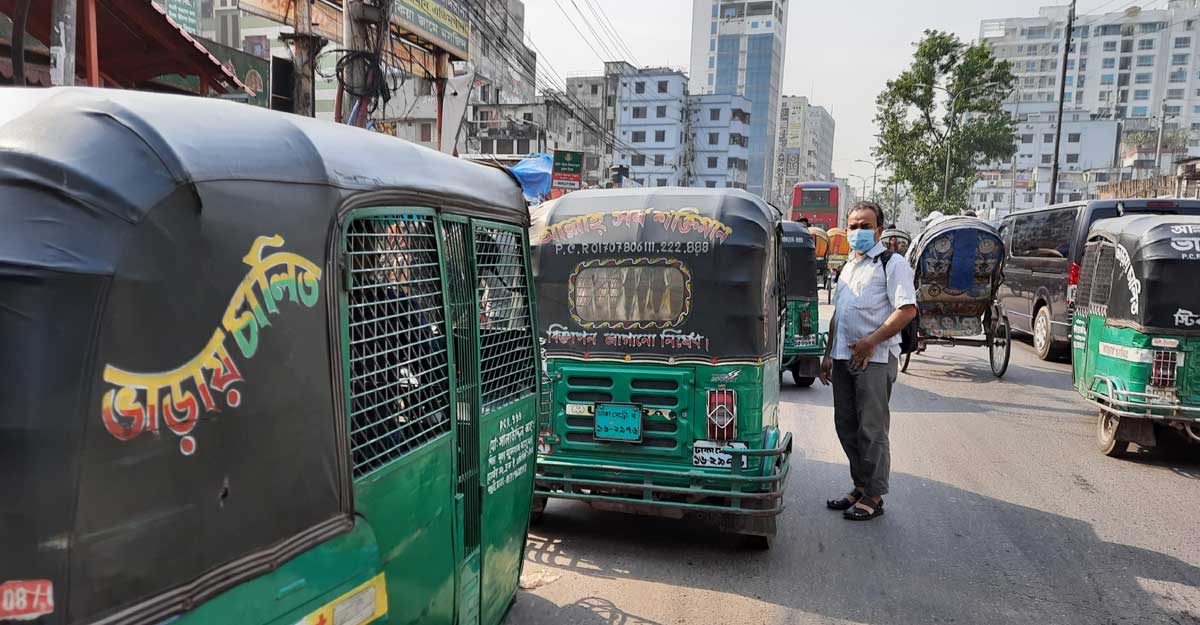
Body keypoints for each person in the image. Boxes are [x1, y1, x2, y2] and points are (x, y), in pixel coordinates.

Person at [819, 201, 917, 521]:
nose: (858, 232)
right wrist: (828, 354)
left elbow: (906, 309)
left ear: (877, 230)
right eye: (852, 226)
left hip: (874, 359)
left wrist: (871, 342)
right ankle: (859, 486)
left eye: (865, 226)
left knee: (871, 429)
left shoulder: (892, 263)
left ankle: (874, 495)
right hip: (843, 357)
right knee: (845, 425)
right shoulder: (848, 266)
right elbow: (840, 315)